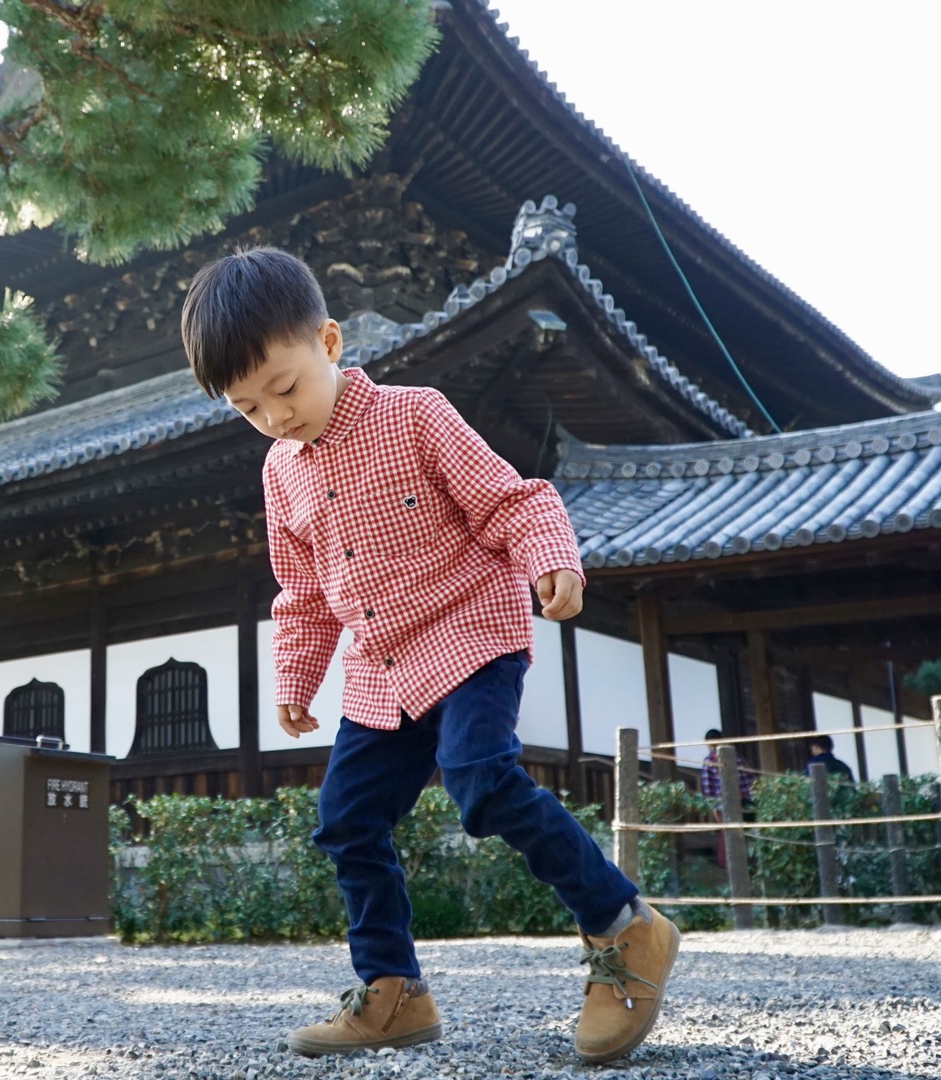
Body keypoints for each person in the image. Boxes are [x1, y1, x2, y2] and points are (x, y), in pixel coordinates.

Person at [180, 248, 677, 1065]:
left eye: (284, 388)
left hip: (474, 636)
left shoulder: (418, 414)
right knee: (346, 821)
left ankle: (626, 926)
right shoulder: (280, 474)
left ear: (330, 342)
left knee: (482, 781)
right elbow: (301, 591)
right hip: (382, 675)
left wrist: (551, 556)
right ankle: (393, 993)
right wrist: (297, 676)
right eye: (246, 408)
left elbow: (512, 500)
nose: (274, 416)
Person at [700, 729, 756, 868]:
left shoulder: (709, 761)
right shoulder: (737, 758)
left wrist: (713, 808)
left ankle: (729, 864)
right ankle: (748, 863)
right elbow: (750, 780)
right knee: (745, 834)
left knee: (727, 835)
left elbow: (709, 789)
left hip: (724, 803)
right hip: (744, 801)